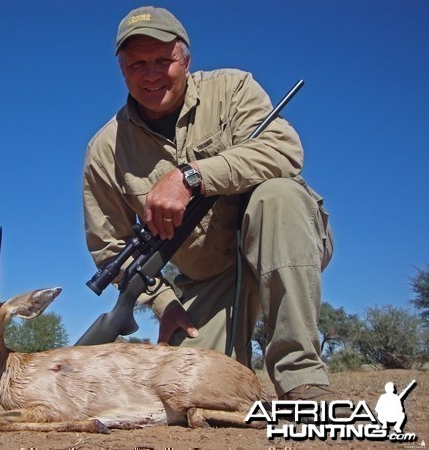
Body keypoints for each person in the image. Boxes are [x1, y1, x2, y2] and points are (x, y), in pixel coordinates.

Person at [82, 6, 336, 403]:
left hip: (283, 241)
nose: (151, 74)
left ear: (186, 60)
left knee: (279, 194)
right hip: (209, 277)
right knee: (190, 393)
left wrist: (191, 177)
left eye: (163, 60)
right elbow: (111, 247)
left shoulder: (232, 88)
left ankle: (302, 380)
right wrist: (164, 303)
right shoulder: (104, 151)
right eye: (138, 64)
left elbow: (284, 150)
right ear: (122, 70)